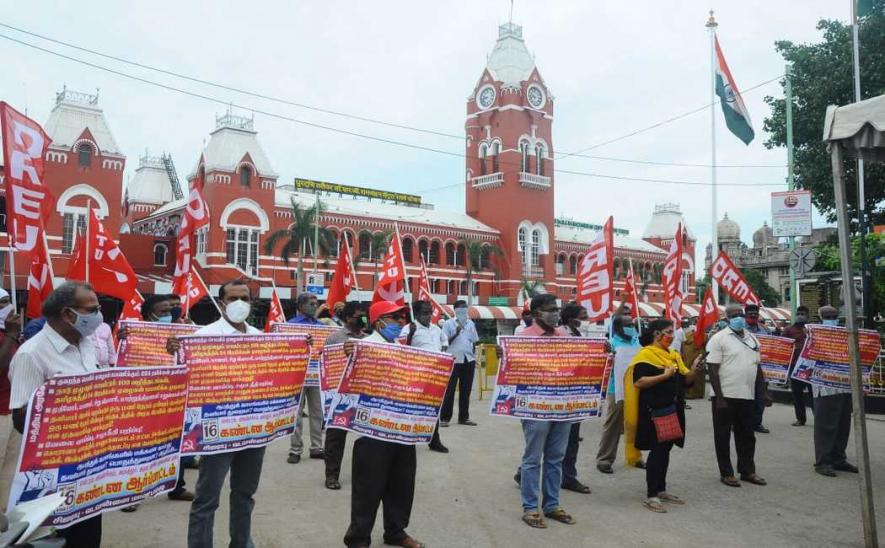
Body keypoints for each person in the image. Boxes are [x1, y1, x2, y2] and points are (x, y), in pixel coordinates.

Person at [9, 282, 103, 546]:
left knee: (88, 535)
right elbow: (21, 420)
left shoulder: (85, 343)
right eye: (92, 309)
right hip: (54, 472)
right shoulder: (31, 354)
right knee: (59, 539)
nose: (99, 315)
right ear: (68, 314)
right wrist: (63, 409)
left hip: (89, 464)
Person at [183, 279, 266, 548]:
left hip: (253, 428)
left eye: (245, 298)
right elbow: (189, 380)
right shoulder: (203, 337)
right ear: (221, 303)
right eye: (233, 299)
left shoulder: (260, 337)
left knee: (245, 494)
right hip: (217, 429)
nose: (239, 303)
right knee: (207, 497)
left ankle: (242, 543)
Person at [343, 300, 424, 548]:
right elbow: (342, 381)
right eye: (395, 318)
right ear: (379, 322)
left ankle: (396, 532)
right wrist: (349, 354)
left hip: (402, 427)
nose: (401, 322)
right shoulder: (362, 347)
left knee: (402, 483)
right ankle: (358, 538)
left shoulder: (402, 348)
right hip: (373, 430)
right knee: (368, 487)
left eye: (402, 318)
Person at [120, 294, 195, 513]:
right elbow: (122, 361)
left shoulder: (182, 332)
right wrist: (124, 339)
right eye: (163, 312)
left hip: (173, 398)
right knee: (138, 447)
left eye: (170, 311)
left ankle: (177, 487)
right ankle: (131, 494)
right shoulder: (134, 333)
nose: (168, 315)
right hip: (142, 398)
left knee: (176, 443)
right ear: (148, 314)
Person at [625, 319, 704, 512]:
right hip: (655, 411)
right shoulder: (645, 356)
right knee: (657, 451)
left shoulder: (672, 355)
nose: (671, 335)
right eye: (668, 332)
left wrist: (694, 368)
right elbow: (640, 382)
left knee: (666, 450)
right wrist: (664, 376)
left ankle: (661, 490)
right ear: (656, 334)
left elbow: (686, 381)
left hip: (673, 409)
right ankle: (652, 495)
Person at [515, 294, 575, 529]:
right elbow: (514, 371)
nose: (556, 314)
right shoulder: (523, 338)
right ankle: (530, 508)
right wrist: (506, 356)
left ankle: (552, 505)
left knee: (556, 458)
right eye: (551, 309)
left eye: (557, 309)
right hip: (535, 407)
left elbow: (575, 364)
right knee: (532, 459)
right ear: (538, 312)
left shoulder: (563, 335)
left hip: (561, 406)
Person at [707, 303, 770, 488]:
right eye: (733, 315)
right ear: (726, 318)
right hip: (725, 396)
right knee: (723, 435)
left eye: (739, 314)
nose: (738, 317)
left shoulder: (752, 338)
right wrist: (719, 397)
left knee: (747, 435)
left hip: (747, 395)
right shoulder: (718, 339)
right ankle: (726, 473)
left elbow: (757, 367)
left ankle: (747, 470)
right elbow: (712, 369)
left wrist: (763, 392)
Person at [323, 301, 368, 490]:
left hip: (363, 392)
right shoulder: (335, 338)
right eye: (359, 316)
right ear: (348, 318)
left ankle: (366, 474)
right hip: (341, 394)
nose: (364, 320)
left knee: (367, 437)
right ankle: (331, 475)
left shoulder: (368, 338)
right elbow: (325, 363)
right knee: (336, 436)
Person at [812, 306, 858, 477]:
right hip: (824, 387)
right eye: (827, 316)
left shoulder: (844, 335)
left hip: (844, 385)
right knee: (826, 426)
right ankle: (823, 462)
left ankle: (838, 458)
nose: (831, 318)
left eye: (834, 316)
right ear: (820, 318)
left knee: (842, 424)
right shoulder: (814, 335)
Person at [596, 312, 643, 474]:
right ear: (618, 327)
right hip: (616, 389)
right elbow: (602, 367)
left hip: (636, 387)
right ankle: (604, 459)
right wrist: (610, 355)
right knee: (613, 425)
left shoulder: (638, 341)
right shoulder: (611, 344)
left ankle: (635, 456)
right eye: (627, 325)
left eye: (632, 324)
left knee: (635, 423)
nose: (631, 327)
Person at [400, 301, 449, 454]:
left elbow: (445, 342)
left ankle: (434, 440)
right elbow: (401, 351)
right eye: (425, 313)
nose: (428, 316)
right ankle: (406, 440)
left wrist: (442, 355)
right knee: (413, 409)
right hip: (416, 376)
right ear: (416, 313)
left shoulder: (436, 329)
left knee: (434, 408)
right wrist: (410, 336)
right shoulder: (408, 329)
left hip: (435, 376)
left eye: (430, 312)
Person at [286, 292, 325, 464]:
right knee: (296, 414)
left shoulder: (322, 326)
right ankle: (295, 449)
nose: (315, 306)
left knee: (317, 412)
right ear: (301, 306)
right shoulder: (290, 326)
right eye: (311, 303)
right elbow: (284, 349)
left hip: (316, 375)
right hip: (297, 376)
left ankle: (317, 447)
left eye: (316, 303)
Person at [557, 302, 591, 494]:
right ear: (571, 318)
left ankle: (568, 477)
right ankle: (524, 472)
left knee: (571, 438)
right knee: (553, 437)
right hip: (560, 393)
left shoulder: (581, 334)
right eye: (583, 316)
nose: (586, 320)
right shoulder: (559, 334)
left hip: (576, 392)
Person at [440, 300, 479, 427]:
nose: (463, 310)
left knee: (466, 390)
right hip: (453, 360)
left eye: (465, 308)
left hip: (468, 360)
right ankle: (445, 418)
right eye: (461, 308)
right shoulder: (448, 324)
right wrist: (455, 333)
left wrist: (473, 356)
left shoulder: (470, 323)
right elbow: (444, 343)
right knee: (450, 390)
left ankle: (464, 417)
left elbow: (473, 341)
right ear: (455, 310)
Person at [0, 289, 20, 512]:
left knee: (7, 473)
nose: (10, 308)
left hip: (10, 410)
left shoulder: (6, 333)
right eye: (3, 303)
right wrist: (12, 336)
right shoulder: (8, 335)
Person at [782, 306, 814, 426]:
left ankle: (819, 417)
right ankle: (800, 419)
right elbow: (783, 347)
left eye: (803, 314)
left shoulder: (813, 330)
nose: (800, 316)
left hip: (811, 368)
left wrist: (809, 334)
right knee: (797, 395)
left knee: (814, 395)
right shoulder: (788, 330)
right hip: (795, 367)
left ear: (808, 316)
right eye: (799, 313)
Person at [744, 304, 771, 434]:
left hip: (763, 369)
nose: (753, 315)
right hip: (744, 369)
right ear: (745, 313)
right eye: (750, 313)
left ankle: (757, 423)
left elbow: (772, 347)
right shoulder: (741, 329)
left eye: (755, 312)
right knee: (744, 397)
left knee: (760, 398)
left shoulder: (765, 330)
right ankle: (740, 423)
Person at [682, 316, 706, 401]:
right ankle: (693, 393)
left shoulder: (701, 333)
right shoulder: (688, 332)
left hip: (693, 355)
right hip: (691, 355)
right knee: (691, 373)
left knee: (697, 374)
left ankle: (696, 393)